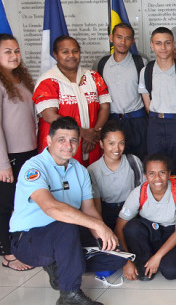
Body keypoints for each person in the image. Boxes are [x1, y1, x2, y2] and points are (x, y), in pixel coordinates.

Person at [9, 117, 127, 305]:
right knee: (66, 227)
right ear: (49, 141)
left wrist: (103, 234)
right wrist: (97, 225)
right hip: (29, 239)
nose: (68, 145)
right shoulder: (34, 167)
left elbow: (89, 209)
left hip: (65, 236)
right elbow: (51, 208)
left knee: (115, 256)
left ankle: (60, 265)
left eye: (73, 140)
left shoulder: (80, 170)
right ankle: (69, 295)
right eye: (62, 139)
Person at [34, 35, 111, 167]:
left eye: (75, 51)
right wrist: (83, 133)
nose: (71, 55)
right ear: (55, 54)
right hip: (61, 147)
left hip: (92, 143)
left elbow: (104, 107)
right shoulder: (48, 81)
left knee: (92, 180)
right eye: (65, 52)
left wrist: (95, 133)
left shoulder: (93, 76)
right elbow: (49, 115)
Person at [116, 154, 176, 281]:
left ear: (169, 174)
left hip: (172, 234)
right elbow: (119, 227)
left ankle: (159, 257)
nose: (157, 178)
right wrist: (126, 260)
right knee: (132, 227)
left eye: (162, 172)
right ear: (145, 175)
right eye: (151, 173)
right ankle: (143, 260)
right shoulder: (138, 192)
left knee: (171, 271)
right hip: (150, 232)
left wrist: (157, 257)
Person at [139, 27, 176, 177]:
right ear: (152, 45)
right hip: (155, 124)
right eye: (158, 43)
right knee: (156, 167)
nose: (163, 47)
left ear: (173, 44)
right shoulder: (146, 71)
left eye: (167, 43)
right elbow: (147, 102)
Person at [0, 34, 36, 271]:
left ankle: (24, 247)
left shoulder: (21, 79)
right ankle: (8, 253)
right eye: (7, 52)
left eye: (16, 50)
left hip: (29, 152)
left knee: (24, 203)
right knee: (6, 205)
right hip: (9, 155)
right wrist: (3, 163)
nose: (14, 55)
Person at [96, 23, 148, 160]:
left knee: (139, 159)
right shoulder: (101, 63)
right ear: (111, 38)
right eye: (119, 37)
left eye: (127, 38)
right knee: (115, 159)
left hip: (137, 120)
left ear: (132, 41)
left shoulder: (141, 62)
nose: (123, 42)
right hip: (112, 121)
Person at [87, 121, 144, 231]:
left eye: (121, 143)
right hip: (107, 213)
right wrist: (101, 227)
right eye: (111, 143)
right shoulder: (92, 170)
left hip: (131, 210)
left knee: (134, 231)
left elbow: (142, 191)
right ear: (102, 144)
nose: (117, 149)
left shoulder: (133, 161)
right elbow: (96, 206)